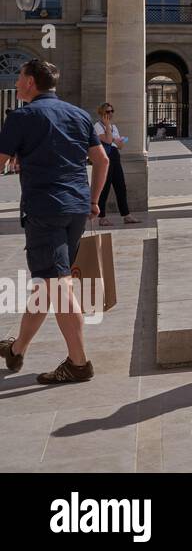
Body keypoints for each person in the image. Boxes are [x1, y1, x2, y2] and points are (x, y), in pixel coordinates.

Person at [0, 59, 110, 384]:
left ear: (31, 82)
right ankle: (16, 349)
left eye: (20, 78)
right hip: (76, 206)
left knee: (57, 285)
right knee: (49, 282)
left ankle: (78, 363)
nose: (17, 83)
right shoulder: (78, 114)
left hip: (44, 208)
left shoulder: (21, 117)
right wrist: (93, 200)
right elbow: (101, 160)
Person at [93, 102, 139, 226]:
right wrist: (108, 128)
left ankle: (126, 215)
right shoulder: (98, 126)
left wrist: (114, 138)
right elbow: (107, 140)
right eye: (108, 111)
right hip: (105, 157)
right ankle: (102, 217)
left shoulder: (114, 127)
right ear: (102, 112)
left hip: (115, 156)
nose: (110, 114)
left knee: (121, 186)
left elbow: (121, 145)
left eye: (112, 111)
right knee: (105, 187)